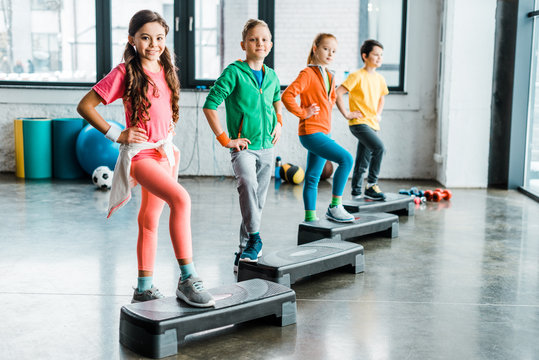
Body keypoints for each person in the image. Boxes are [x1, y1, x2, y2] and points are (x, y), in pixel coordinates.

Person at [77, 10, 214, 307]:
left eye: (159, 38)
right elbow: (85, 105)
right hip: (140, 156)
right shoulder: (124, 72)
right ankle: (188, 277)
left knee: (150, 220)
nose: (153, 44)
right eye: (145, 38)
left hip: (165, 152)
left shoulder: (166, 69)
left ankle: (144, 287)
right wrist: (117, 133)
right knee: (182, 200)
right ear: (132, 40)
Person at [202, 19, 282, 272]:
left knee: (256, 202)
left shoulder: (271, 76)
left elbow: (277, 99)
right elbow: (210, 105)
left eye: (264, 39)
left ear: (270, 44)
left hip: (267, 146)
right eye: (253, 39)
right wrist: (225, 139)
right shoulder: (234, 72)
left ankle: (243, 249)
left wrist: (279, 121)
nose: (260, 43)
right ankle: (255, 240)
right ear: (243, 44)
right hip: (243, 147)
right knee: (247, 184)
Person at [282, 33, 355, 223]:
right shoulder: (307, 74)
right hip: (311, 132)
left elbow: (330, 101)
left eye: (333, 51)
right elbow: (287, 96)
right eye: (326, 49)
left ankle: (310, 219)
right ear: (315, 48)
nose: (330, 54)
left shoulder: (330, 75)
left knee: (313, 176)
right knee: (346, 159)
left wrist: (345, 113)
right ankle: (335, 206)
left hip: (323, 131)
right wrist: (302, 112)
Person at [336, 39, 389, 201]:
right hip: (359, 124)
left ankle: (356, 193)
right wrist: (346, 114)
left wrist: (378, 114)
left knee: (362, 160)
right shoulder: (356, 76)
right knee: (379, 148)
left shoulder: (380, 79)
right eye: (376, 54)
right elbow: (338, 93)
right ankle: (372, 184)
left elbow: (382, 98)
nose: (379, 58)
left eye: (381, 55)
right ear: (365, 56)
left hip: (372, 123)